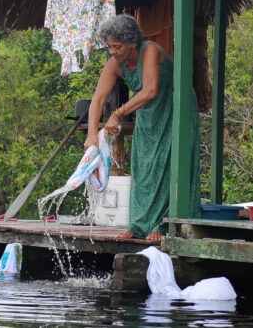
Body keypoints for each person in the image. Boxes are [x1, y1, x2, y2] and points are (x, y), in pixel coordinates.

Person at [84, 14, 200, 242]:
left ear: (132, 43)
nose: (113, 52)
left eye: (117, 47)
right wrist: (91, 136)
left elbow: (150, 91)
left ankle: (162, 224)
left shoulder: (150, 51)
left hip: (176, 108)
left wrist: (117, 114)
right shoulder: (115, 64)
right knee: (143, 163)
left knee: (166, 163)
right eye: (109, 47)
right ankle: (139, 224)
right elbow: (98, 99)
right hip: (148, 114)